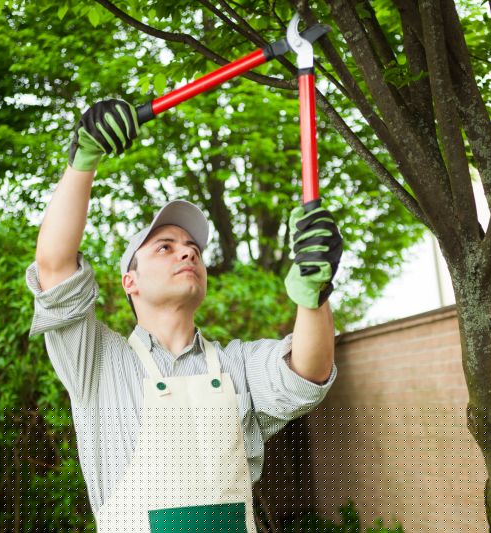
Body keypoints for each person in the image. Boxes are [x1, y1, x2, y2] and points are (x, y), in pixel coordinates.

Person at [25, 99, 343, 532]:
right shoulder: (97, 363)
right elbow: (55, 268)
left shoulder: (237, 366)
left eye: (193, 248)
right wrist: (84, 158)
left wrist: (315, 293)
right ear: (130, 282)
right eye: (165, 247)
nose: (188, 251)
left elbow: (309, 370)